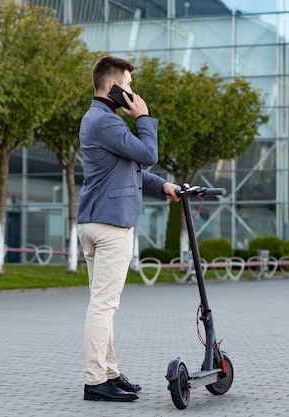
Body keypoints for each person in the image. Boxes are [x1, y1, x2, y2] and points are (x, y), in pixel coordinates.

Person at [77, 55, 181, 402]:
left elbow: (130, 166)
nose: (134, 92)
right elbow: (147, 152)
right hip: (110, 225)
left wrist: (162, 185)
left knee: (103, 305)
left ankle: (108, 372)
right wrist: (144, 118)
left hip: (97, 221)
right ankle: (95, 381)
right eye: (129, 86)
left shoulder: (101, 119)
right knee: (103, 307)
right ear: (113, 87)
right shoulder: (106, 122)